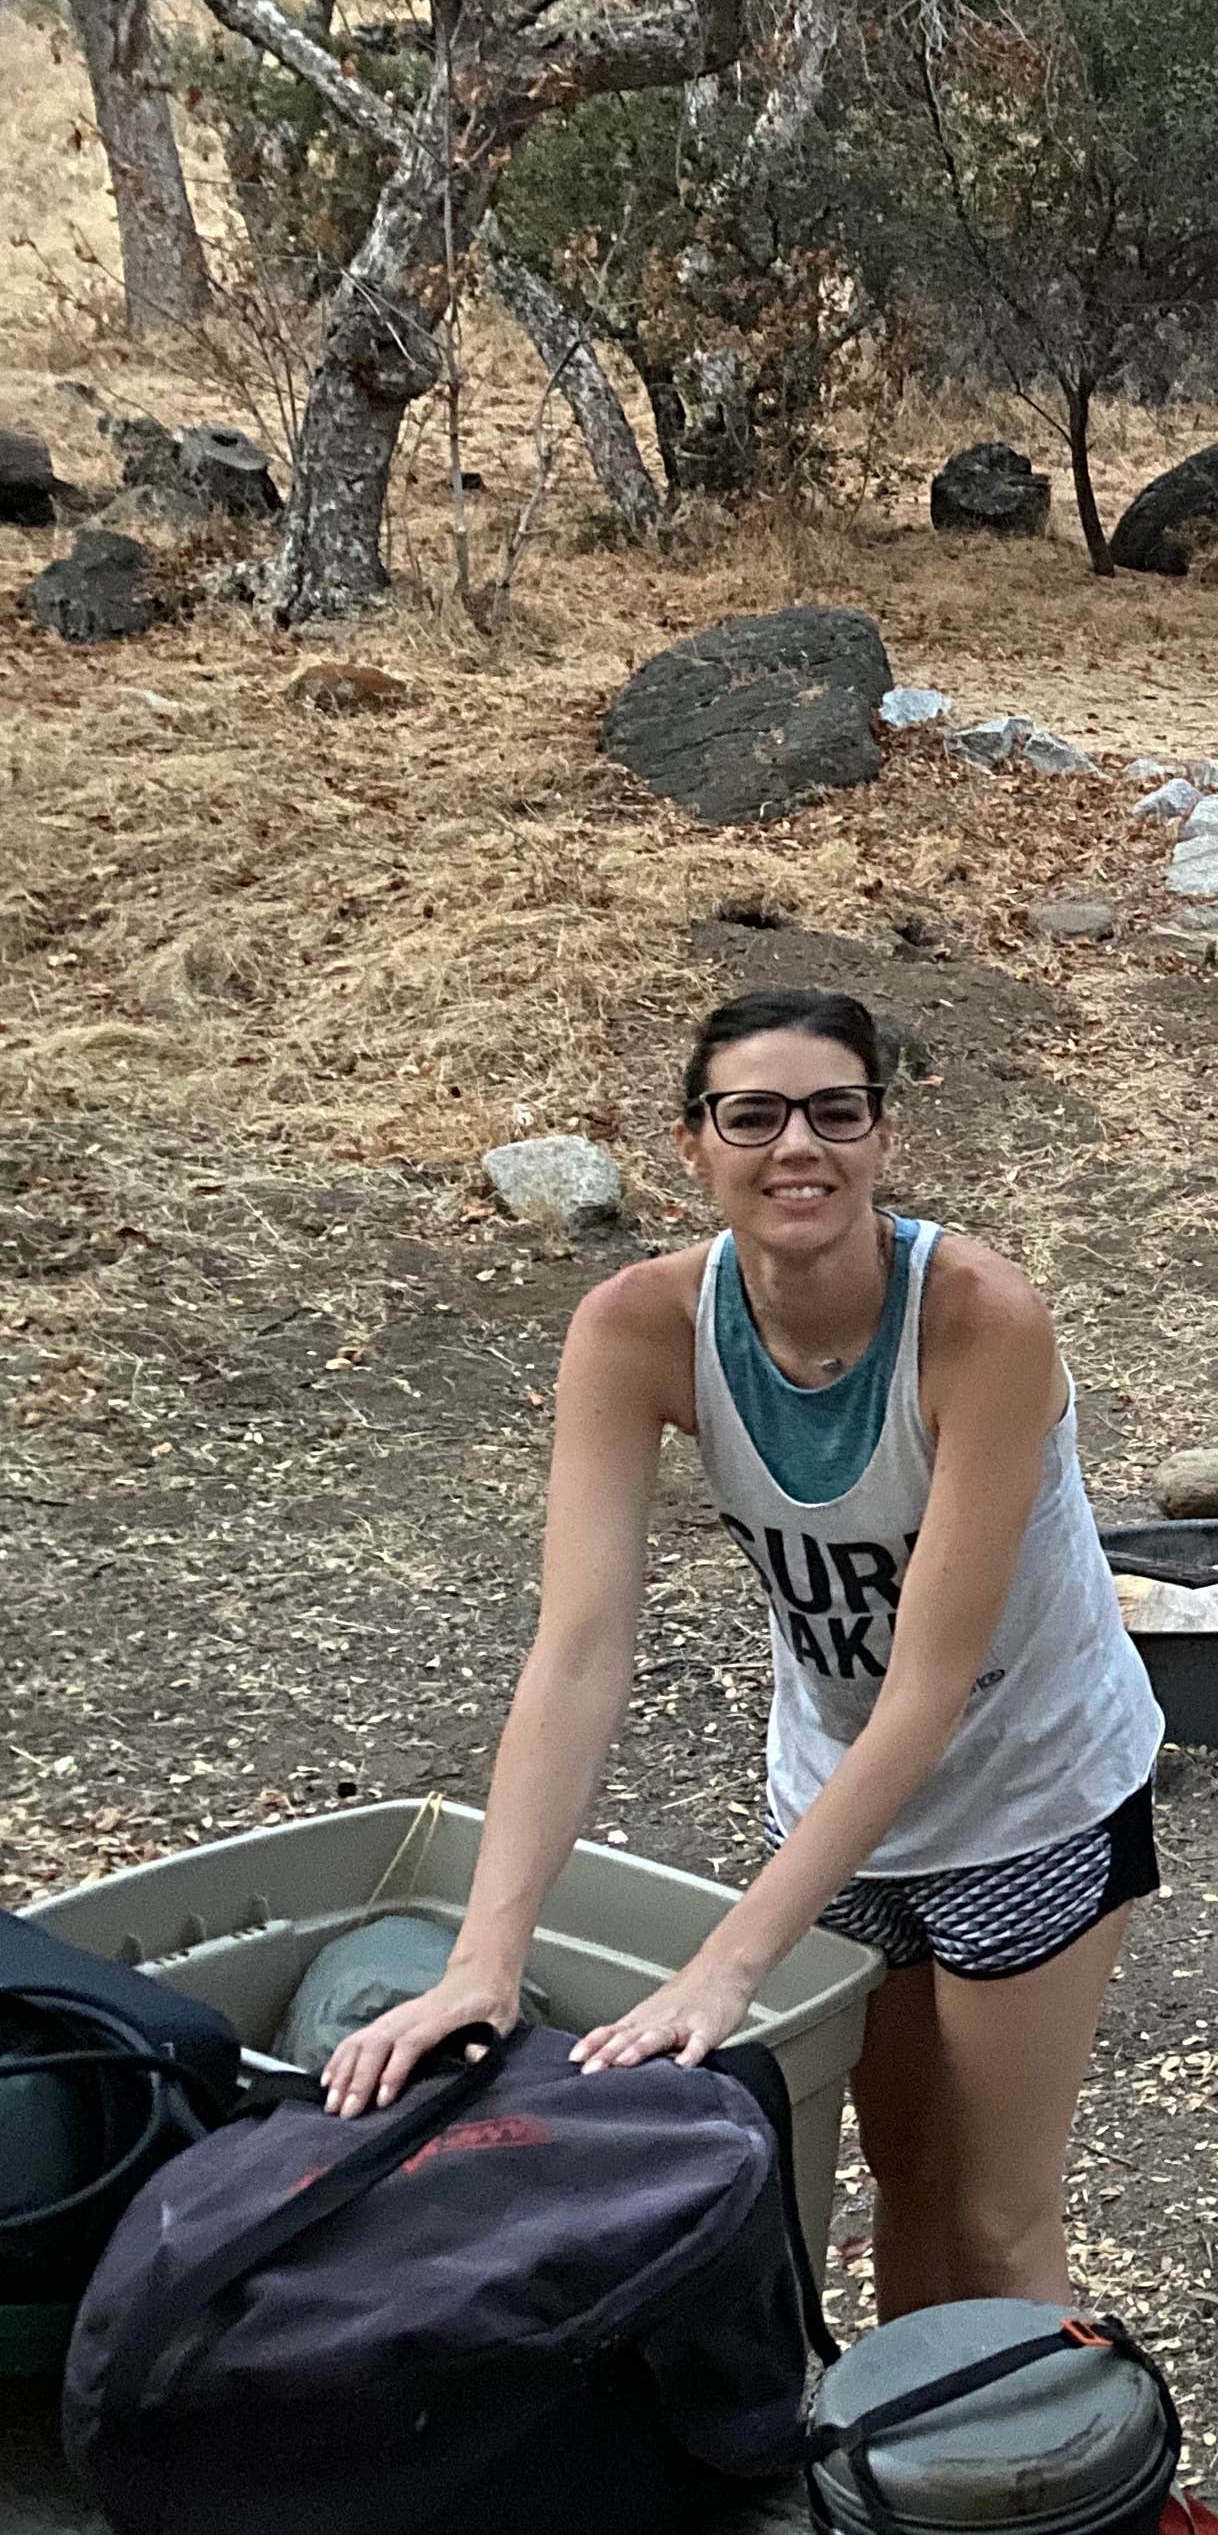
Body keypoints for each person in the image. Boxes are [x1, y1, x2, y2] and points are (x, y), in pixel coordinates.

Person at [323, 987, 1165, 2317]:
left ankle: (1048, 2509)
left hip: (1032, 1788)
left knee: (999, 2217)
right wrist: (483, 1960)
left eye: (838, 1112)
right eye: (754, 1115)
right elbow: (583, 1649)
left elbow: (932, 1687)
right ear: (692, 1145)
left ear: (884, 1133)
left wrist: (726, 1964)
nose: (799, 1148)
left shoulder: (981, 1320)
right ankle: (914, 2483)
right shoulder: (635, 1328)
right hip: (836, 1791)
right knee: (900, 2170)